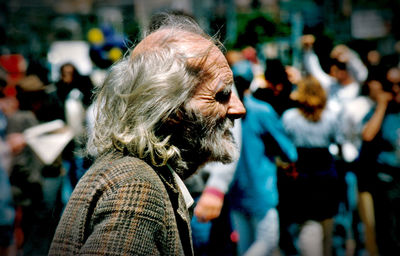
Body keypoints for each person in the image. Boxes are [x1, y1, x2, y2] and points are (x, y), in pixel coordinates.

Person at [49, 13, 245, 256]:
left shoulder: (137, 174)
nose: (239, 109)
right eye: (221, 95)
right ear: (171, 110)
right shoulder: (138, 189)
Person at [228, 59, 297, 256]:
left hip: (235, 189)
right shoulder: (262, 110)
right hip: (261, 191)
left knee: (245, 246)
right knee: (268, 241)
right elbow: (289, 151)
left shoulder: (226, 112)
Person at [281, 75, 343, 256]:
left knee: (308, 225)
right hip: (326, 173)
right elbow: (339, 143)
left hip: (302, 175)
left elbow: (285, 148)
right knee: (327, 224)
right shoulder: (330, 117)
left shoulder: (290, 117)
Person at [361, 66, 400, 256]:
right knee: (387, 233)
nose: (395, 89)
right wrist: (382, 105)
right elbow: (367, 135)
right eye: (390, 85)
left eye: (398, 85)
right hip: (387, 180)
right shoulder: (383, 112)